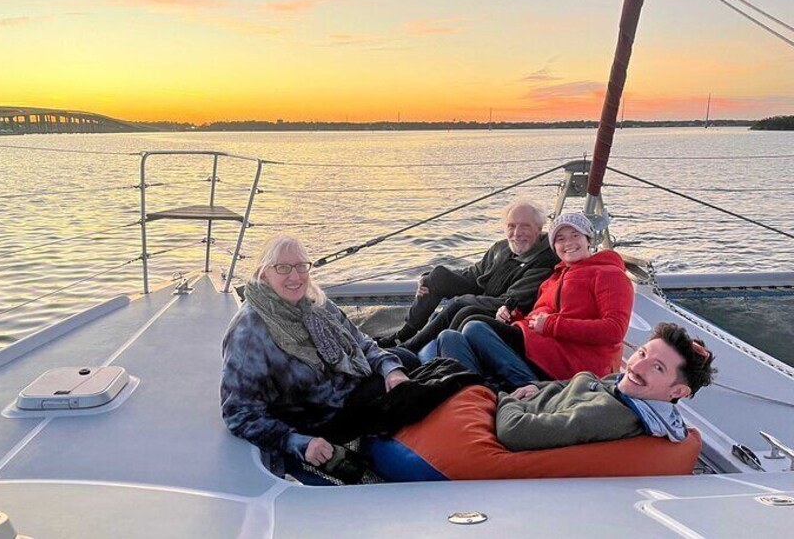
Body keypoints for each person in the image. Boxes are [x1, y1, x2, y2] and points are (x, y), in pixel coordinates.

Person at [220, 235, 419, 475]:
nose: (295, 277)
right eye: (283, 268)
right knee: (410, 392)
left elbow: (361, 342)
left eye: (301, 266)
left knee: (405, 360)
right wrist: (299, 443)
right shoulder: (250, 330)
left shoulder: (315, 305)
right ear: (264, 274)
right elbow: (238, 413)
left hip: (346, 389)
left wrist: (391, 370)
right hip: (318, 419)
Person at [437, 212, 634, 388]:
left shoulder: (608, 274)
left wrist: (552, 325)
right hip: (541, 350)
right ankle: (475, 391)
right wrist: (514, 316)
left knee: (474, 327)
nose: (568, 243)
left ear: (589, 239)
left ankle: (527, 387)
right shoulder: (553, 279)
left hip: (575, 365)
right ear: (554, 246)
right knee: (449, 337)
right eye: (560, 239)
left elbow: (614, 329)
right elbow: (538, 315)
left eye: (576, 235)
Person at [495, 322, 716, 451]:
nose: (637, 366)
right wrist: (536, 388)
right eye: (642, 353)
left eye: (657, 368)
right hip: (531, 397)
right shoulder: (628, 391)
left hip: (506, 412)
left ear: (677, 392)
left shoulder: (608, 415)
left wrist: (507, 399)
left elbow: (514, 431)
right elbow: (589, 383)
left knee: (471, 331)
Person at [377, 200, 559, 351]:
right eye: (511, 226)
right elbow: (474, 274)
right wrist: (427, 279)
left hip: (506, 313)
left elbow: (512, 301)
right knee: (438, 275)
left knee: (462, 305)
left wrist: (469, 300)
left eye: (525, 226)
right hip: (486, 295)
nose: (517, 234)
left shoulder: (545, 259)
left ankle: (409, 349)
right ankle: (404, 335)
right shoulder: (501, 248)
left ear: (539, 228)